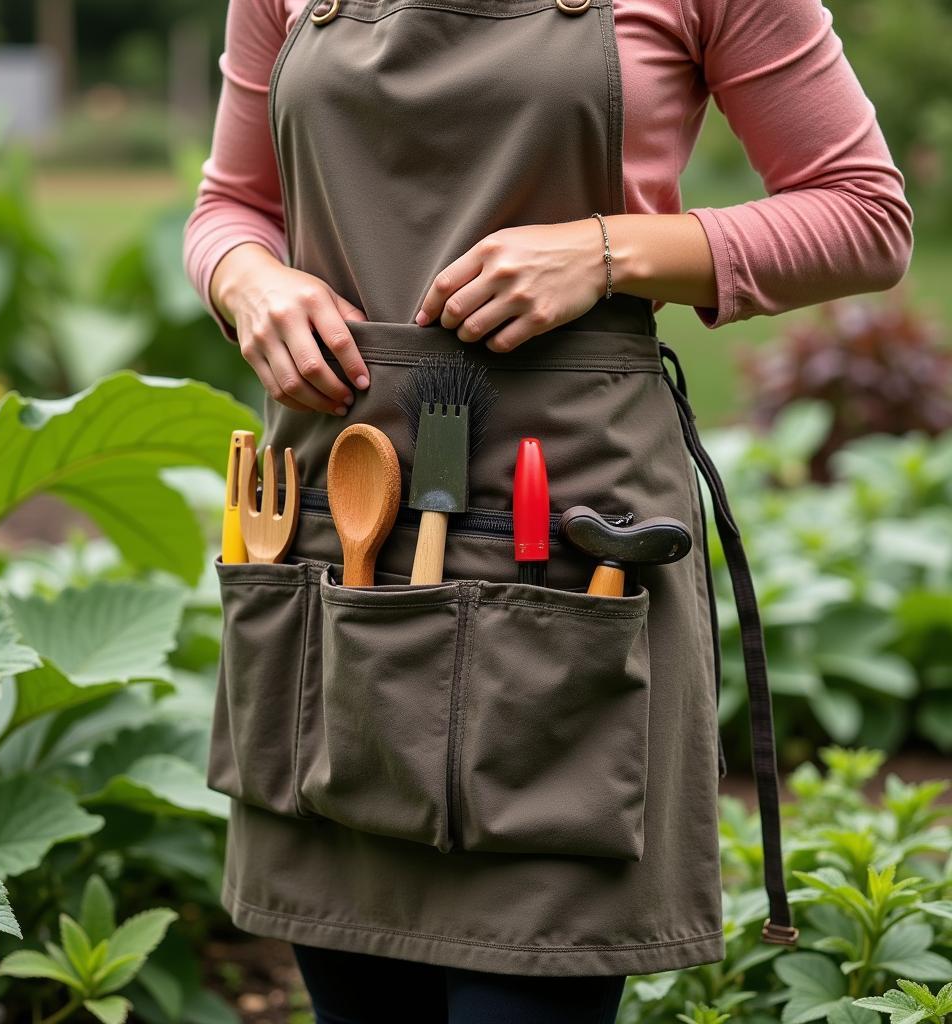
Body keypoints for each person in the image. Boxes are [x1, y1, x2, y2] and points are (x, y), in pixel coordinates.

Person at [183, 0, 913, 1020]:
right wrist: (245, 278)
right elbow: (230, 206)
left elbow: (863, 215)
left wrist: (609, 251)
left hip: (570, 542)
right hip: (333, 528)